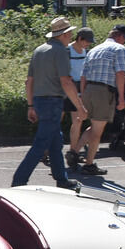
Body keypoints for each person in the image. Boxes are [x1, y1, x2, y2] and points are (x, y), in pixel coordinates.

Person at [11, 17, 86, 190]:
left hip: (39, 101)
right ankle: (19, 180)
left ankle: (61, 178)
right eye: (70, 33)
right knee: (41, 143)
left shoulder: (39, 50)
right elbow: (66, 81)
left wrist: (30, 106)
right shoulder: (60, 51)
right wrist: (80, 107)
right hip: (52, 102)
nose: (71, 35)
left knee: (55, 141)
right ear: (65, 34)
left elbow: (29, 81)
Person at [71, 24, 125, 176]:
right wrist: (121, 98)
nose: (124, 42)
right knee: (98, 131)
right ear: (120, 36)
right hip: (104, 92)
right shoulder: (119, 49)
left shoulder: (93, 50)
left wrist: (83, 94)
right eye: (124, 39)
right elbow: (120, 74)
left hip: (88, 90)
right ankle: (89, 164)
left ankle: (74, 152)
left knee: (93, 127)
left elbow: (83, 75)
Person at [64, 27, 95, 162]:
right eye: (87, 41)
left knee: (77, 122)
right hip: (65, 90)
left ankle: (73, 152)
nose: (88, 44)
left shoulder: (85, 52)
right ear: (79, 39)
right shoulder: (66, 51)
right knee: (55, 122)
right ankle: (46, 152)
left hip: (79, 90)